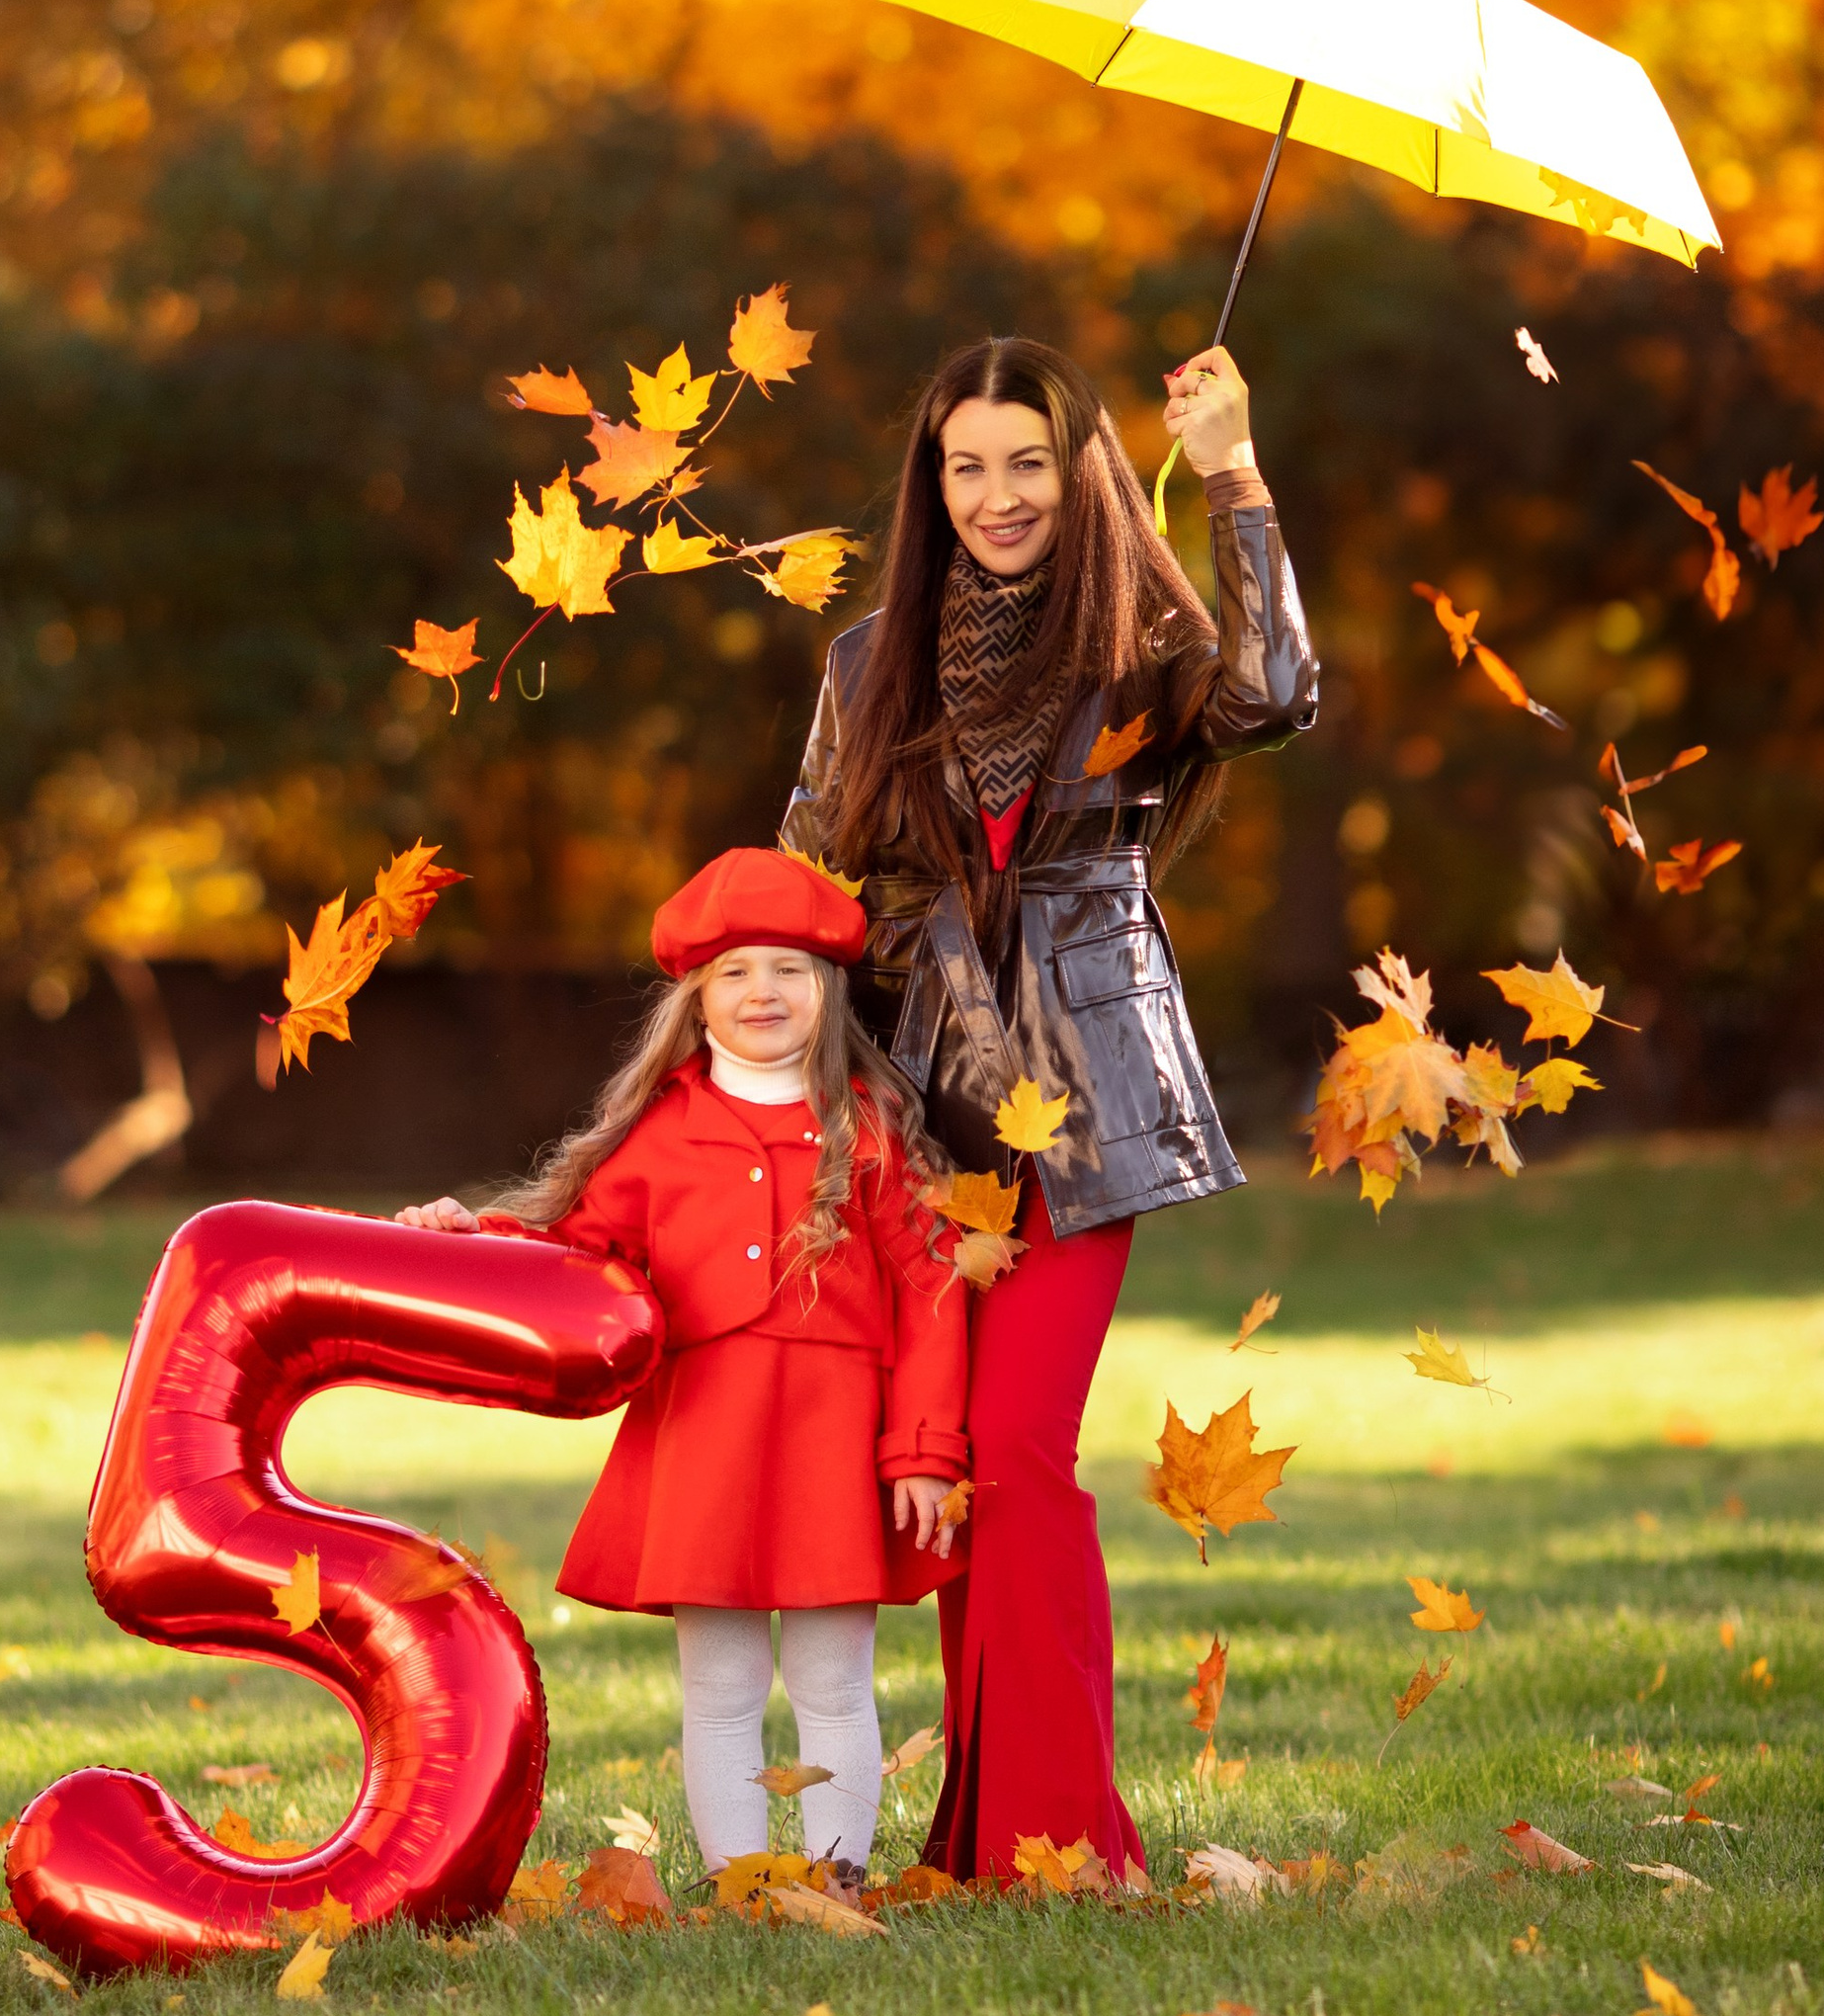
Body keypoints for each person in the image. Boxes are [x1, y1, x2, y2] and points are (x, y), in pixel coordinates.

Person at [782, 335, 1317, 1887]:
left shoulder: (1142, 647)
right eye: (969, 466)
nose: (999, 495)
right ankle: (986, 1835)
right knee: (946, 1476)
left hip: (1089, 1102)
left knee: (1014, 1454)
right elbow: (811, 877)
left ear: (1076, 473)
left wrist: (1232, 473)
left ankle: (1063, 1836)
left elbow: (1278, 695)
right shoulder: (866, 659)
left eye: (1028, 463)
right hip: (921, 1108)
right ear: (930, 484)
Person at [391, 845, 969, 1888]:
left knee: (834, 1677)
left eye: (788, 970)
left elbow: (934, 1296)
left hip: (835, 1439)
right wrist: (465, 1235)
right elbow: (575, 1254)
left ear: (828, 994)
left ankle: (835, 1873)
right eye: (736, 972)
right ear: (696, 1000)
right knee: (721, 1683)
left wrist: (922, 1450)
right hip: (703, 1431)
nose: (762, 992)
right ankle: (741, 1876)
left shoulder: (871, 1132)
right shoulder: (659, 1135)